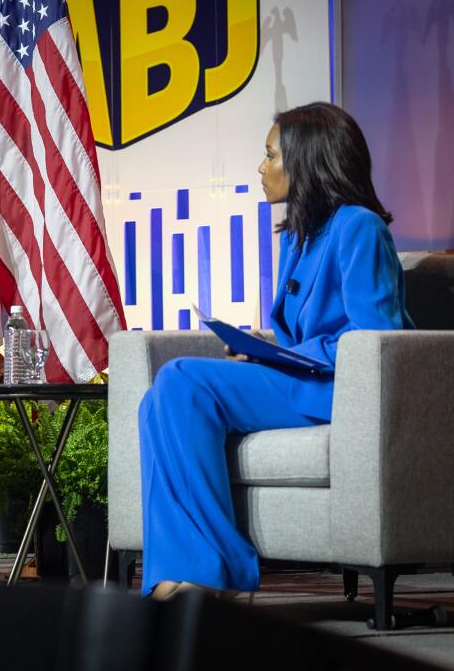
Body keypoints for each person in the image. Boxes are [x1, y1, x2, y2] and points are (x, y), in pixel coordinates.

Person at [138, 102, 412, 599]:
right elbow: (295, 336)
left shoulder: (359, 227)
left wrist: (293, 357)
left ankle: (217, 572)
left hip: (336, 390)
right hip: (300, 380)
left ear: (307, 161)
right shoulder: (300, 236)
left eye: (270, 156)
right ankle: (178, 572)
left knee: (179, 377)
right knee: (156, 400)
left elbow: (379, 339)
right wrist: (265, 352)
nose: (261, 169)